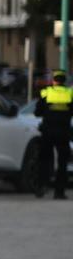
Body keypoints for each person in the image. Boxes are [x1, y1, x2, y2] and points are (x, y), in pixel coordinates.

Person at [34, 69, 73, 199]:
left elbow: (37, 112)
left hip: (47, 132)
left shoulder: (46, 93)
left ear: (54, 81)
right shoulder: (70, 94)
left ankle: (41, 187)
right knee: (62, 163)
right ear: (64, 81)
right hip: (63, 133)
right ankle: (59, 192)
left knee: (44, 160)